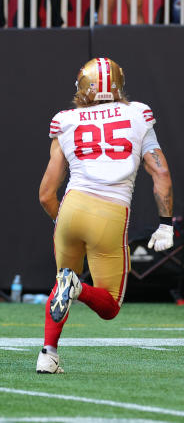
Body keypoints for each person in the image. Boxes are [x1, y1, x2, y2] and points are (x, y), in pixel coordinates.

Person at [36, 57, 173, 374]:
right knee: (109, 305)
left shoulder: (67, 120)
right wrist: (165, 224)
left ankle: (48, 354)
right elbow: (161, 173)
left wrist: (63, 222)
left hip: (71, 207)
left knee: (61, 284)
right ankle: (77, 288)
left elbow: (45, 194)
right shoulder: (137, 113)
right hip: (109, 214)